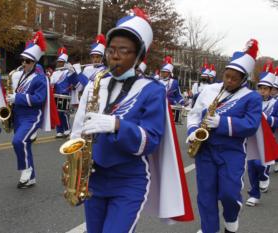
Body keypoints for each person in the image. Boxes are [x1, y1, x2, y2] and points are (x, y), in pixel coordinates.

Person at [70, 7, 193, 233]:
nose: (114, 56)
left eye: (124, 51)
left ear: (138, 57)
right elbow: (78, 130)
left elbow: (151, 141)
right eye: (111, 49)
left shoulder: (152, 90)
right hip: (94, 178)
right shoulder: (96, 83)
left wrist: (117, 125)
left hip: (129, 180)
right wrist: (76, 169)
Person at [187, 39, 262, 233]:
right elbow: (194, 114)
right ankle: (209, 229)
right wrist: (192, 132)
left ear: (243, 79)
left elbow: (251, 125)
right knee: (206, 196)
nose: (228, 81)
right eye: (227, 76)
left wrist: (222, 123)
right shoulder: (209, 90)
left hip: (232, 152)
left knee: (229, 194)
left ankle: (231, 221)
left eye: (234, 79)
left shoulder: (251, 97)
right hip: (205, 150)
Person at [5, 31, 50, 189]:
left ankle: (26, 169)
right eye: (23, 60)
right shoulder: (22, 75)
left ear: (35, 62)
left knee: (19, 141)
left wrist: (18, 98)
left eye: (28, 61)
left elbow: (39, 99)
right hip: (18, 115)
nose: (24, 63)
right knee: (26, 145)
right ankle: (31, 179)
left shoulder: (40, 79)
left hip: (32, 116)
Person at [246, 62, 278, 206]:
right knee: (251, 166)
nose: (262, 91)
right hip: (252, 137)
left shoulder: (276, 103)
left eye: (266, 89)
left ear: (271, 90)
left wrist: (267, 119)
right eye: (260, 88)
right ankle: (254, 194)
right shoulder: (253, 100)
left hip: (268, 138)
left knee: (260, 163)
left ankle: (264, 176)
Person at [50, 47, 78, 138]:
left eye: (61, 62)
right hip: (56, 95)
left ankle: (67, 130)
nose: (59, 64)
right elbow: (51, 82)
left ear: (65, 62)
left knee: (64, 114)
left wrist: (72, 70)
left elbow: (75, 80)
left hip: (66, 95)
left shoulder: (68, 71)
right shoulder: (55, 73)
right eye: (58, 62)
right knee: (57, 113)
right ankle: (59, 131)